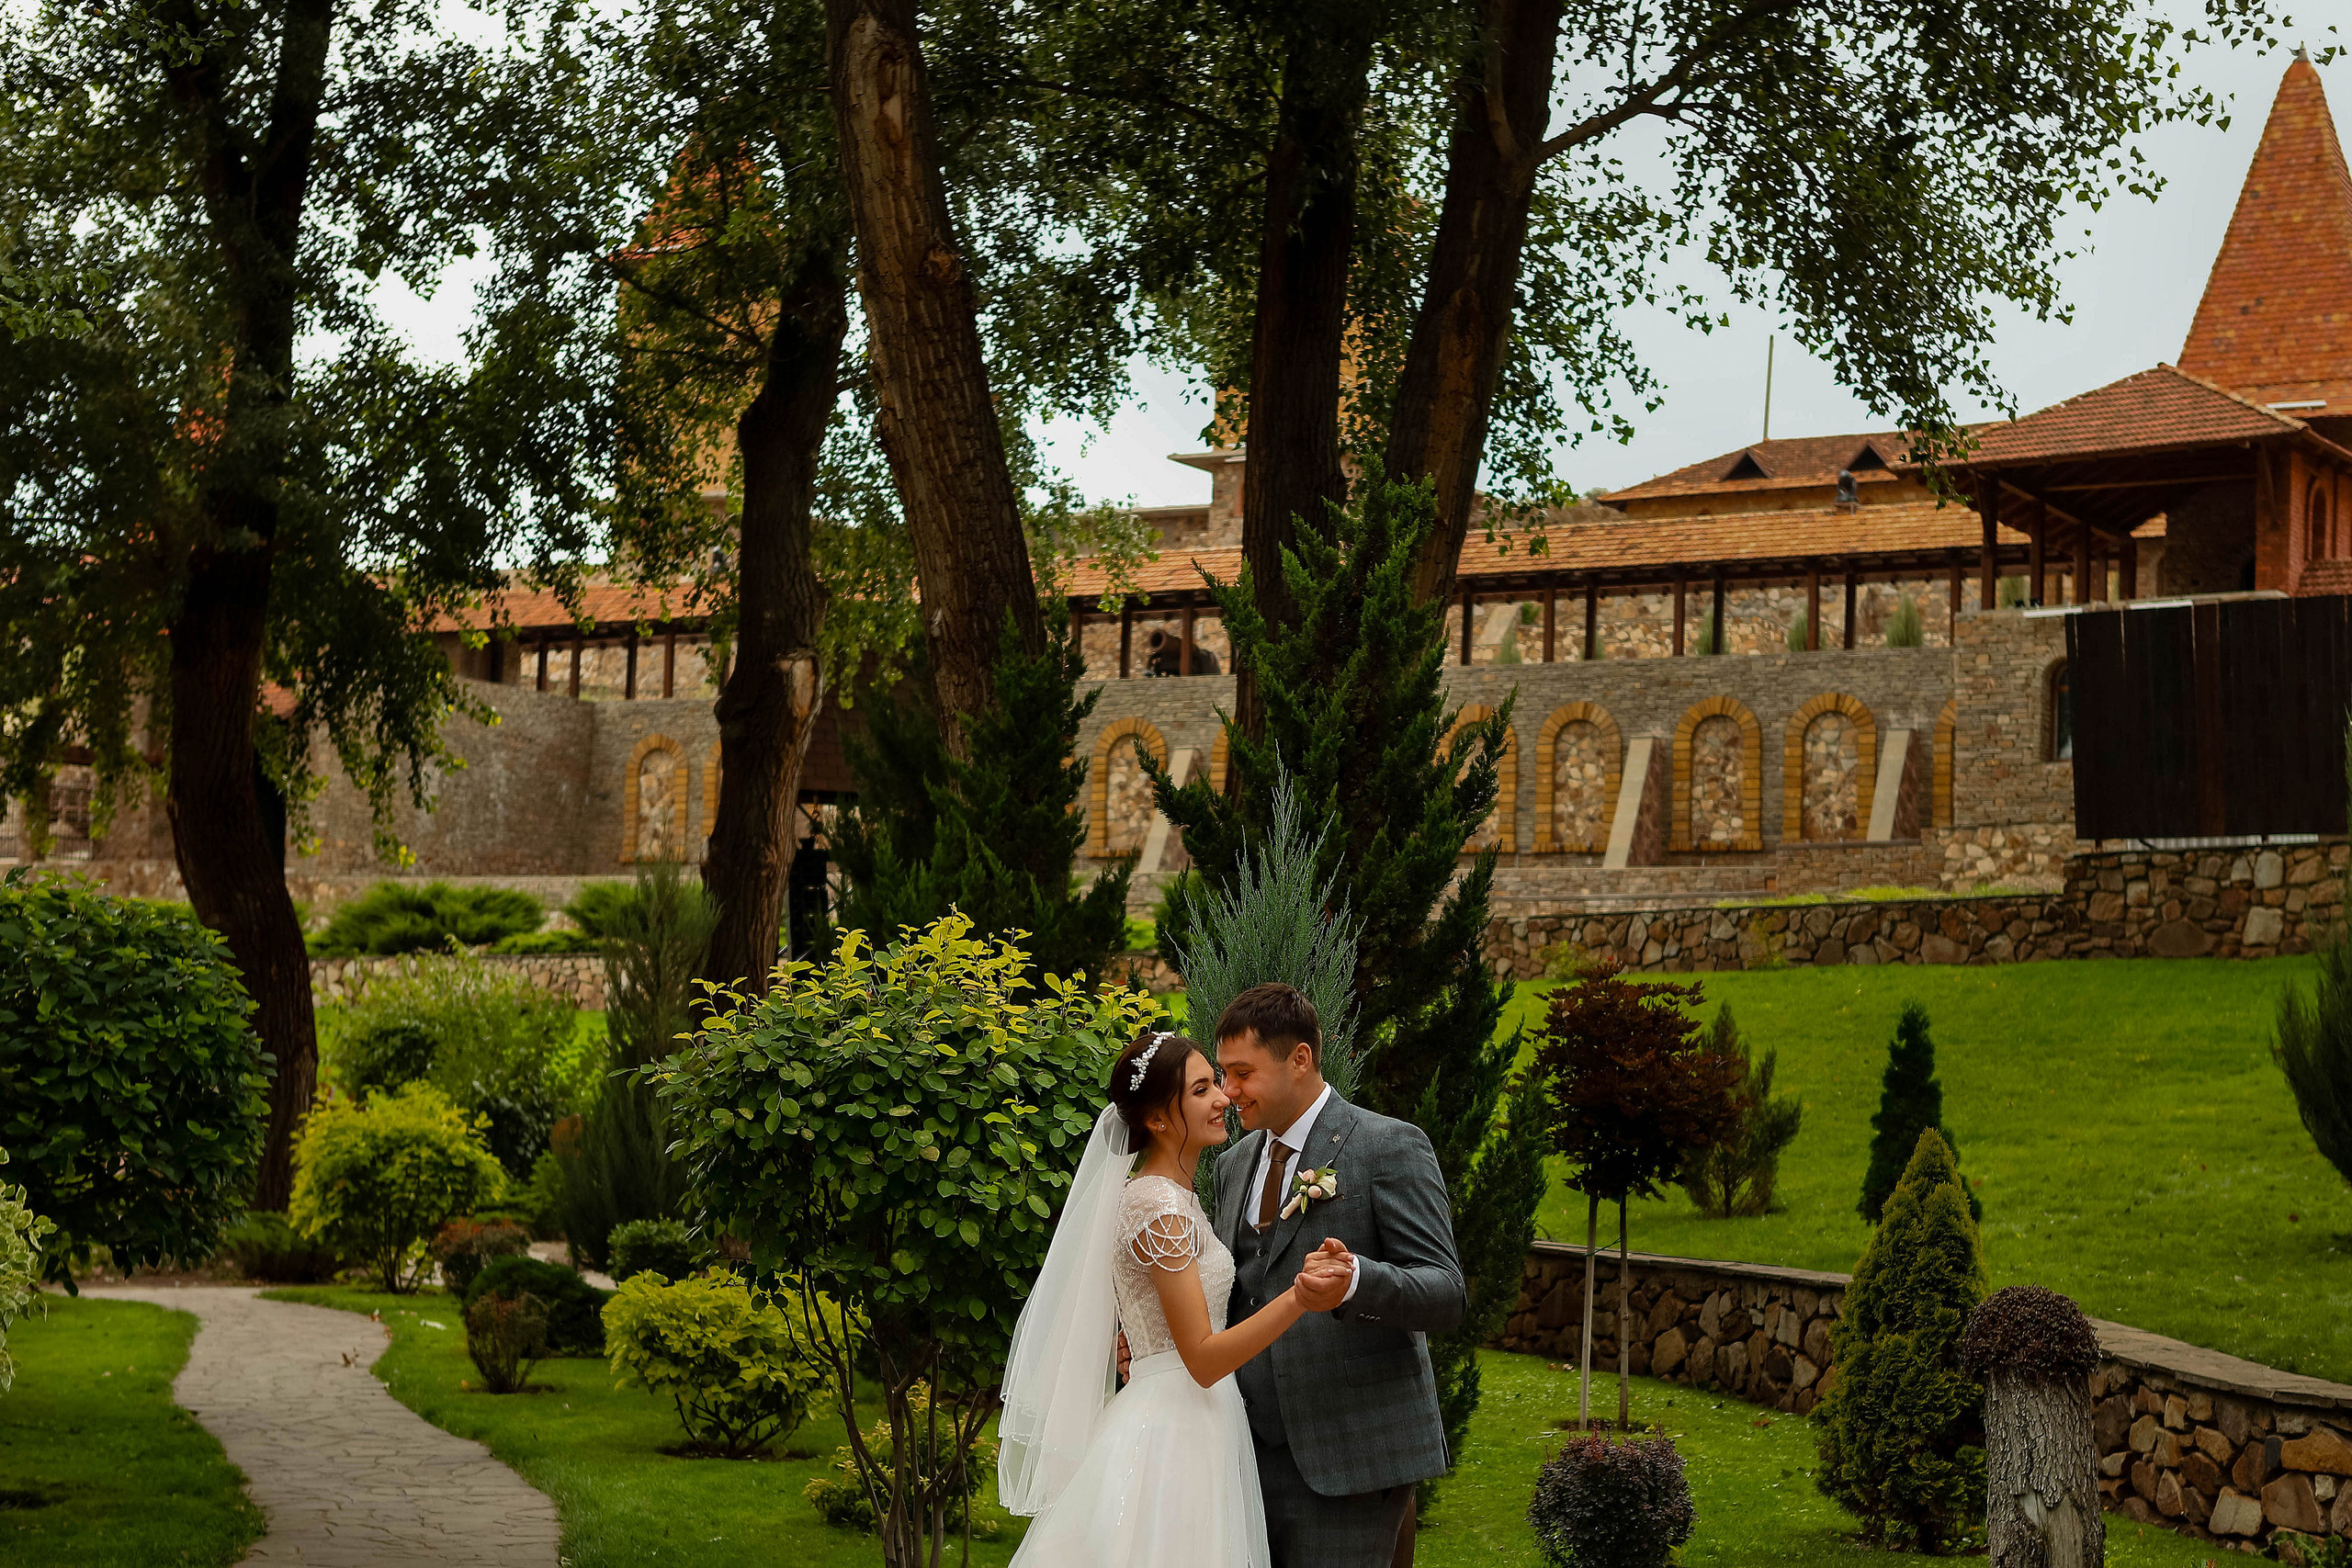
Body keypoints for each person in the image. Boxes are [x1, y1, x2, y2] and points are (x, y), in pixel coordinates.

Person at [998, 1029, 1353, 1567]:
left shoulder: (1170, 1198)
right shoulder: (1159, 1208)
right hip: (1173, 1427)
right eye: (1201, 1089)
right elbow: (1203, 1360)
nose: (1222, 1099)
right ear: (1159, 1119)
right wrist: (1298, 1298)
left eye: (1217, 1082)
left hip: (1194, 1415)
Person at [1212, 982, 1465, 1568]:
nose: (1230, 1093)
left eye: (1242, 1073)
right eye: (1224, 1075)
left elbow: (1446, 1293)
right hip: (1242, 1458)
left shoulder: (1388, 1147)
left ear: (1299, 1059)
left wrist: (1357, 1283)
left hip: (1351, 1459)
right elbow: (1236, 1294)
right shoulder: (1233, 1165)